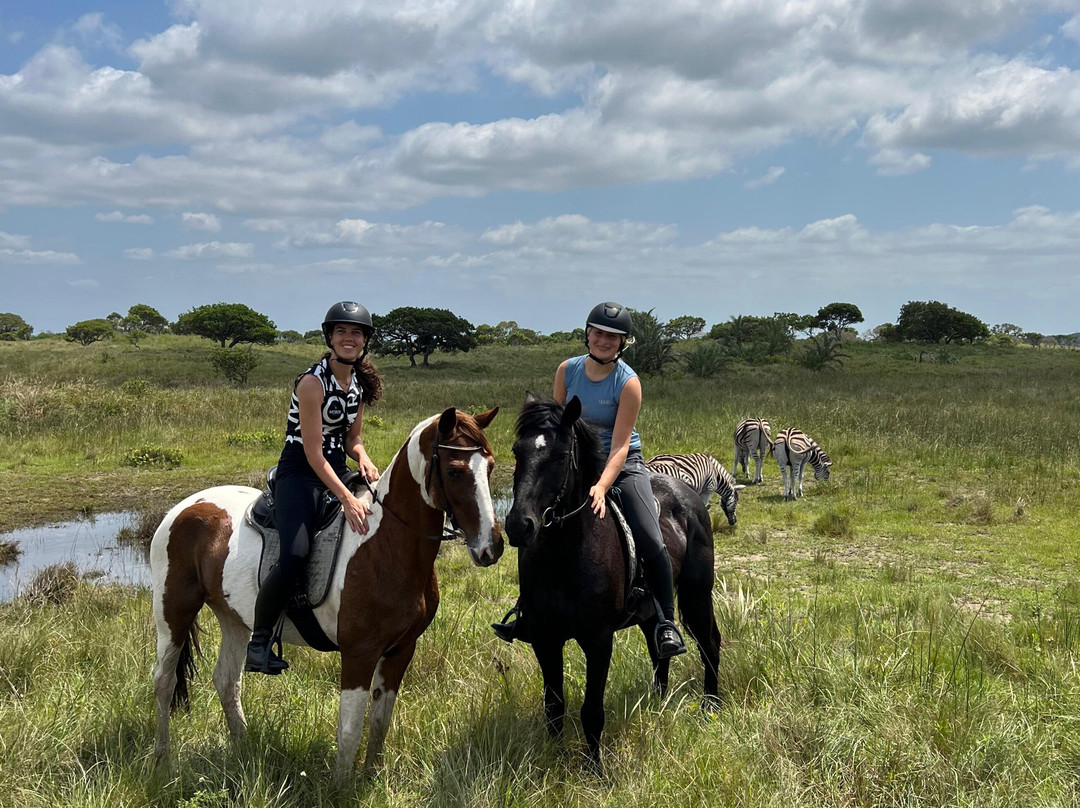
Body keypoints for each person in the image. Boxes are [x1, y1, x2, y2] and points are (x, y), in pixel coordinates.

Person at [493, 301, 687, 659]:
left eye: (612, 336)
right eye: (598, 333)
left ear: (623, 342)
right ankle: (528, 611)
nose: (604, 340)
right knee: (537, 525)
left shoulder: (628, 383)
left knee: (649, 534)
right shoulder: (567, 370)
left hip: (621, 465)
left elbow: (620, 445)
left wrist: (600, 486)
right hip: (574, 463)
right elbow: (556, 425)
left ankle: (665, 622)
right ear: (587, 334)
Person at [245, 301, 384, 675]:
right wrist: (346, 498)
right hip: (301, 474)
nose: (349, 338)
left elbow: (353, 438)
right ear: (330, 338)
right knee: (295, 553)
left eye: (356, 333)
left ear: (365, 341)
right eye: (341, 332)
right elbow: (312, 452)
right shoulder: (311, 382)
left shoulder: (356, 385)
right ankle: (259, 643)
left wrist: (364, 458)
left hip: (336, 469)